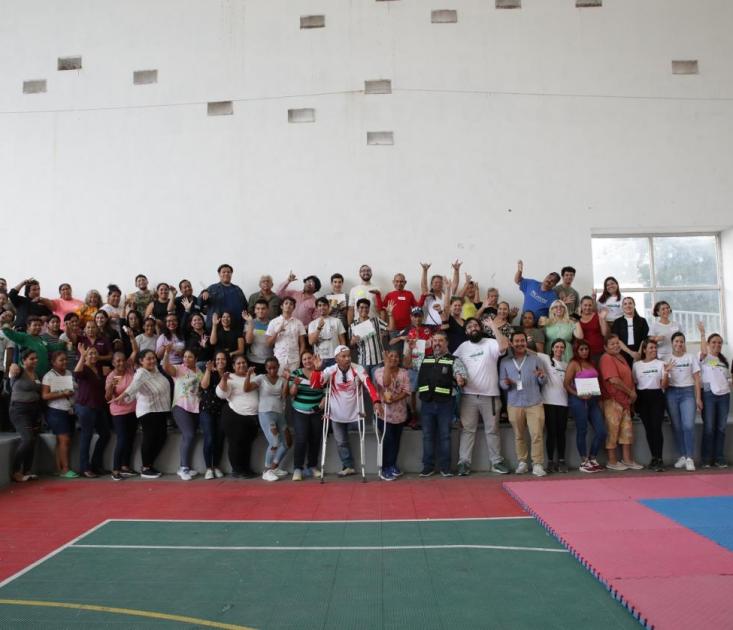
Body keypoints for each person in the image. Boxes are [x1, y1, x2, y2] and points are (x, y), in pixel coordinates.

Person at [310, 346, 382, 476]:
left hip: (356, 413)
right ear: (336, 359)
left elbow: (369, 385)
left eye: (349, 356)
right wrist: (316, 370)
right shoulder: (331, 370)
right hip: (337, 413)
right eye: (343, 356)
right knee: (341, 442)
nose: (347, 358)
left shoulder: (358, 369)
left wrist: (376, 401)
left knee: (363, 437)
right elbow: (315, 385)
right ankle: (348, 466)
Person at [453, 318, 510, 476]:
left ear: (481, 328)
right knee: (467, 430)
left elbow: (504, 346)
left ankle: (496, 462)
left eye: (476, 325)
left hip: (490, 396)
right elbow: (453, 363)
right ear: (466, 331)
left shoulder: (490, 343)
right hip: (468, 396)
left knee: (492, 431)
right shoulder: (463, 347)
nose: (473, 328)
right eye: (470, 326)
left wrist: (493, 326)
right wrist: (458, 375)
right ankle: (464, 463)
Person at [113, 349, 171, 478]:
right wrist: (122, 396)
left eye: (153, 358)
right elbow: (133, 387)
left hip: (161, 409)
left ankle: (149, 465)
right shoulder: (140, 373)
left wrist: (166, 353)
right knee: (148, 439)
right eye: (148, 359)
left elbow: (164, 365)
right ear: (141, 361)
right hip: (147, 411)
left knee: (162, 437)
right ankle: (144, 468)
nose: (152, 361)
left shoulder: (155, 370)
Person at [416, 331, 467, 477]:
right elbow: (408, 364)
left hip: (446, 403)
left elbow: (462, 376)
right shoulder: (423, 359)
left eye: (440, 341)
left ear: (446, 343)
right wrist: (412, 348)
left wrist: (460, 379)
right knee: (427, 436)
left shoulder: (454, 360)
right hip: (427, 403)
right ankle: (428, 467)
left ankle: (445, 468)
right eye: (435, 341)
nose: (437, 343)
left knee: (445, 436)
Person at [500, 331, 547, 477]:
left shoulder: (535, 359)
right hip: (514, 403)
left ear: (526, 342)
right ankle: (522, 463)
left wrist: (541, 376)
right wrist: (506, 383)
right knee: (519, 435)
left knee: (536, 434)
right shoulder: (505, 361)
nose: (520, 343)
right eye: (517, 341)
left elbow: (543, 381)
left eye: (522, 341)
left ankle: (537, 464)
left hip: (534, 402)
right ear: (511, 343)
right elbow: (501, 382)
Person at [598, 334, 643, 471]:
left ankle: (627, 459)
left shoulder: (621, 357)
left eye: (617, 343)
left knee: (626, 431)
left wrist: (632, 393)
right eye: (612, 344)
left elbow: (629, 377)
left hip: (625, 401)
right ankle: (612, 461)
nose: (616, 345)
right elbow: (613, 380)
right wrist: (630, 392)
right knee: (612, 430)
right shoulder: (606, 358)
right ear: (605, 347)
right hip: (612, 400)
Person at [564, 339, 606, 473]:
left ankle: (592, 458)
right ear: (576, 351)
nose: (584, 352)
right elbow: (566, 384)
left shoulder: (591, 363)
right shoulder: (573, 364)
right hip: (579, 401)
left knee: (601, 431)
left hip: (593, 400)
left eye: (586, 349)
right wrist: (578, 394)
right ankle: (584, 461)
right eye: (581, 349)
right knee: (582, 430)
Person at [246, 357, 290, 481]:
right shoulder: (261, 378)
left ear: (278, 367)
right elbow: (247, 388)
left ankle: (274, 468)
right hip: (266, 414)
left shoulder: (282, 379)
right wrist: (248, 375)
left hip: (280, 414)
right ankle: (266, 471)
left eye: (274, 368)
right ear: (266, 368)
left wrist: (287, 380)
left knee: (287, 442)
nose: (272, 370)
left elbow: (284, 395)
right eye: (269, 368)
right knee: (274, 442)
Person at [216, 355, 260, 478]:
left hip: (251, 416)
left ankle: (246, 469)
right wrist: (223, 380)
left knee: (247, 444)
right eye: (238, 363)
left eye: (244, 362)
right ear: (233, 366)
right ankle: (237, 470)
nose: (242, 365)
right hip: (235, 415)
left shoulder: (253, 376)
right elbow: (221, 394)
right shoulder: (230, 377)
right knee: (236, 444)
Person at [163, 347, 203, 481]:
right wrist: (166, 353)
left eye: (190, 357)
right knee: (189, 434)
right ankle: (184, 468)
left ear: (196, 359)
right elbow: (166, 367)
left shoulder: (199, 371)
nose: (186, 359)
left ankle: (184, 467)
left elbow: (203, 385)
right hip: (180, 406)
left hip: (195, 407)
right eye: (185, 356)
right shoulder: (178, 369)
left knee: (189, 437)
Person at [665, 332, 702, 471]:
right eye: (676, 341)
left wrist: (698, 398)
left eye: (681, 341)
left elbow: (697, 379)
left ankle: (689, 458)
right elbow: (663, 380)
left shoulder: (690, 357)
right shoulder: (666, 358)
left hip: (688, 393)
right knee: (677, 426)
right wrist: (667, 371)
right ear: (672, 343)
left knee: (688, 426)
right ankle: (682, 456)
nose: (679, 344)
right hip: (671, 393)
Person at [373, 349, 411, 480]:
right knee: (387, 440)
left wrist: (394, 399)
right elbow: (386, 383)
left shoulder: (404, 372)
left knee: (396, 441)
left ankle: (392, 465)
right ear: (386, 358)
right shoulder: (379, 371)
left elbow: (407, 391)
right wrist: (387, 366)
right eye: (391, 356)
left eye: (396, 356)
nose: (393, 358)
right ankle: (384, 468)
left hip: (399, 414)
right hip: (384, 414)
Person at [391, 307, 432, 428]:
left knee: (426, 392)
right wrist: (401, 338)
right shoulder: (407, 329)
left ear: (422, 317)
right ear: (411, 317)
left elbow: (435, 341)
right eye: (415, 316)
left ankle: (425, 417)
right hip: (411, 364)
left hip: (426, 364)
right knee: (411, 392)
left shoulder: (428, 329)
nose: (417, 319)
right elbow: (391, 342)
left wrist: (429, 341)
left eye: (419, 316)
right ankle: (413, 417)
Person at [73, 345, 111, 478]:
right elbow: (76, 374)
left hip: (99, 406)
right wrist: (82, 356)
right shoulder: (83, 367)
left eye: (95, 353)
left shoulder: (100, 368)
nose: (93, 356)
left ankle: (96, 465)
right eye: (90, 354)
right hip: (85, 406)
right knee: (87, 436)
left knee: (105, 434)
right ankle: (84, 468)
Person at [106, 345, 141, 481]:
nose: (121, 363)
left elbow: (135, 350)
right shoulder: (113, 376)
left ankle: (125, 466)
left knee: (131, 438)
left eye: (123, 360)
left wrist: (131, 337)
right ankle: (115, 469)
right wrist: (110, 387)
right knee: (122, 439)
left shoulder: (129, 369)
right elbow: (108, 398)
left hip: (133, 410)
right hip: (119, 412)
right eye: (118, 361)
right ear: (113, 362)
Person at [289, 350, 326, 481]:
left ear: (314, 359)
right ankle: (297, 469)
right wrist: (295, 384)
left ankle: (312, 466)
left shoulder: (322, 374)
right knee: (301, 439)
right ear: (301, 361)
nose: (307, 361)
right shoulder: (296, 373)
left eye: (309, 358)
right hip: (300, 412)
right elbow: (292, 393)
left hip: (316, 411)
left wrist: (320, 406)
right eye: (304, 359)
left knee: (315, 439)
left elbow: (325, 393)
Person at [697, 322, 729, 468]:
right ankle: (706, 459)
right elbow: (703, 351)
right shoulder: (705, 358)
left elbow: (727, 379)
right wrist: (703, 334)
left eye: (720, 342)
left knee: (721, 428)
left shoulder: (723, 361)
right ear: (708, 344)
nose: (717, 345)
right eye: (714, 342)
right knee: (709, 428)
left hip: (724, 396)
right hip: (709, 395)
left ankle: (719, 458)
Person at [632, 339, 667, 472]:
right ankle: (654, 457)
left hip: (657, 396)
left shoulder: (661, 364)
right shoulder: (637, 365)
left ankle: (660, 458)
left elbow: (664, 385)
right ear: (644, 350)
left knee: (656, 428)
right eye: (651, 348)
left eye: (655, 348)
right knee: (649, 429)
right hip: (642, 398)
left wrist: (666, 373)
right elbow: (635, 382)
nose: (654, 350)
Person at [8, 350, 43, 482]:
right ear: (24, 360)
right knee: (27, 439)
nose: (35, 360)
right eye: (32, 359)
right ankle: (15, 471)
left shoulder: (36, 373)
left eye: (36, 358)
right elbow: (12, 368)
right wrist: (13, 365)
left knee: (32, 440)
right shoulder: (19, 371)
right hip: (19, 410)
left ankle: (27, 470)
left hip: (34, 410)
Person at [41, 351, 78, 478]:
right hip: (56, 411)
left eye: (65, 359)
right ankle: (65, 469)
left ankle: (58, 468)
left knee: (62, 440)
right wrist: (63, 393)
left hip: (69, 410)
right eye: (61, 360)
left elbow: (74, 387)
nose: (65, 362)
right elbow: (45, 395)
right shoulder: (48, 376)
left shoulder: (68, 373)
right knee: (64, 439)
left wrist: (73, 390)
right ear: (53, 362)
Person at [537, 339, 569, 473]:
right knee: (551, 433)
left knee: (561, 433)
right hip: (549, 402)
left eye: (562, 347)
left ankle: (561, 461)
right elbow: (530, 351)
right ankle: (550, 461)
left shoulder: (567, 365)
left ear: (564, 350)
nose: (559, 349)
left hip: (564, 402)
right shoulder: (545, 359)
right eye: (557, 347)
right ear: (552, 348)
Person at [3, 316, 67, 377]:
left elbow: (52, 347)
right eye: (35, 325)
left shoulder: (41, 339)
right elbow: (9, 333)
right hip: (28, 375)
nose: (38, 327)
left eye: (39, 325)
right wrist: (5, 324)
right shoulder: (24, 337)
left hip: (43, 374)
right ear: (28, 326)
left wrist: (64, 343)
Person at [199, 352, 228, 480]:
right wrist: (208, 370)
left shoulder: (229, 374)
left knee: (219, 439)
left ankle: (216, 466)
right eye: (218, 359)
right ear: (215, 361)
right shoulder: (211, 372)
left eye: (223, 359)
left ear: (226, 361)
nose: (220, 361)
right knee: (209, 437)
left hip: (222, 410)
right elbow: (204, 385)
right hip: (207, 409)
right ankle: (208, 468)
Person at [201, 264, 248, 332]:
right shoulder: (212, 288)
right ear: (219, 274)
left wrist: (244, 322)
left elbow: (245, 306)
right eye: (223, 272)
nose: (226, 274)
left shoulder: (237, 289)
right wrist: (203, 293)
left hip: (235, 327)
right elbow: (200, 304)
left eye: (228, 272)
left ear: (231, 274)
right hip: (216, 327)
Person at [266, 297, 306, 375]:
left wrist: (300, 357)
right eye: (286, 303)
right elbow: (268, 343)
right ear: (281, 306)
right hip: (279, 359)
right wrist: (277, 332)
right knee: (279, 381)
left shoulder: (298, 323)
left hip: (294, 359)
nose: (288, 306)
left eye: (291, 304)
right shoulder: (273, 322)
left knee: (293, 380)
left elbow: (302, 343)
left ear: (294, 308)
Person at [349, 298, 388, 377]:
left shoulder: (376, 320)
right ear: (357, 309)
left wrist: (390, 314)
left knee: (378, 383)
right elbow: (351, 345)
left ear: (369, 309)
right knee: (364, 383)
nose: (364, 309)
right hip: (363, 361)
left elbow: (391, 328)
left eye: (366, 307)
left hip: (378, 360)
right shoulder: (352, 326)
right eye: (361, 307)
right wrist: (353, 341)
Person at [308, 297, 347, 368]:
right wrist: (319, 328)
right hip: (320, 359)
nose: (322, 307)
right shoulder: (312, 324)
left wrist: (343, 356)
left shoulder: (337, 321)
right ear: (316, 308)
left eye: (324, 305)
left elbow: (342, 342)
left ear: (328, 306)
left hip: (335, 357)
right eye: (319, 305)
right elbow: (311, 342)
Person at [420, 261, 460, 328]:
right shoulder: (429, 295)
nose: (438, 284)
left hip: (444, 326)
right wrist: (425, 271)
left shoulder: (446, 295)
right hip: (430, 326)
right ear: (431, 284)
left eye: (440, 282)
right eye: (436, 282)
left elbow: (455, 285)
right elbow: (423, 286)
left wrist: (456, 270)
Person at [611, 296, 649, 366]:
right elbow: (617, 339)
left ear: (634, 305)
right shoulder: (617, 322)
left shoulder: (642, 321)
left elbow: (645, 338)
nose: (628, 306)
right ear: (622, 307)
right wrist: (630, 353)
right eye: (625, 304)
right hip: (622, 353)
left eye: (630, 303)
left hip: (640, 353)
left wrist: (638, 354)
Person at [244, 301, 273, 374]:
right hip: (253, 360)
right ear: (255, 310)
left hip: (269, 360)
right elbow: (248, 341)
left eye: (263, 308)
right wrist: (251, 323)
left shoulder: (273, 323)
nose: (260, 311)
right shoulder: (249, 322)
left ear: (268, 310)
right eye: (258, 308)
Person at [578, 296, 608, 362]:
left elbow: (604, 333)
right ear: (581, 305)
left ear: (592, 306)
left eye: (590, 305)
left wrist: (603, 319)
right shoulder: (576, 317)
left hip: (598, 351)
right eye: (585, 305)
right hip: (583, 352)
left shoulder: (598, 316)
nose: (587, 307)